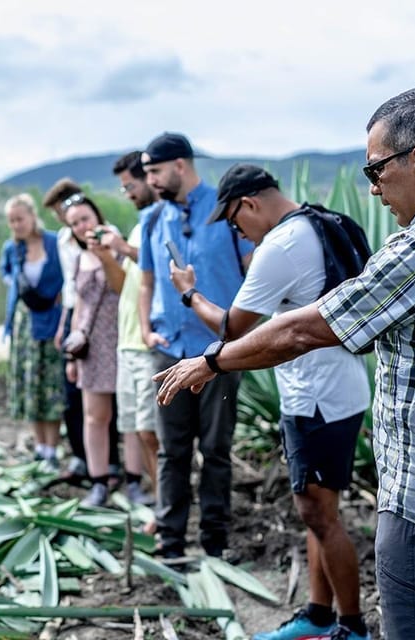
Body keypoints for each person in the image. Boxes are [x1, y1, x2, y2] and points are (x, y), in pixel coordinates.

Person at [154, 87, 415, 640]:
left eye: (376, 169)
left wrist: (211, 362)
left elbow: (299, 329)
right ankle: (324, 617)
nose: (372, 187)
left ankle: (340, 622)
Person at [169, 163, 371, 639]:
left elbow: (231, 330)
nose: (239, 234)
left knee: (319, 515)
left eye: (236, 223)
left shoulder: (280, 245)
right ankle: (319, 617)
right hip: (339, 390)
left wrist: (189, 294)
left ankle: (352, 628)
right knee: (318, 512)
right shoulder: (322, 222)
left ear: (250, 204)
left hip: (317, 400)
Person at [139, 132, 252, 559]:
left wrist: (238, 334)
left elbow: (250, 272)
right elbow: (146, 282)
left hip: (219, 354)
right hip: (169, 351)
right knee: (172, 452)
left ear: (180, 166)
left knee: (216, 450)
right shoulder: (152, 219)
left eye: (154, 171)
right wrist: (146, 331)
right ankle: (170, 541)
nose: (149, 180)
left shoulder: (225, 212)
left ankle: (215, 542)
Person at [42, 179, 121, 485]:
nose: (66, 221)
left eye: (62, 212)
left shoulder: (109, 237)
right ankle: (86, 460)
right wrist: (66, 325)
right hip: (78, 315)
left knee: (110, 400)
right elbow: (71, 287)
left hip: (106, 319)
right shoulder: (66, 242)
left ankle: (113, 464)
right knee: (75, 395)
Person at [95, 150, 161, 509]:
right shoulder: (139, 224)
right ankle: (157, 497)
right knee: (138, 430)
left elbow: (161, 268)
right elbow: (125, 286)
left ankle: (165, 503)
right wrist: (109, 255)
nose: (129, 193)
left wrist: (123, 247)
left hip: (147, 346)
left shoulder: (159, 220)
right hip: (128, 342)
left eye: (130, 185)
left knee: (153, 433)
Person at [62, 194, 124, 507]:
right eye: (74, 223)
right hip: (91, 345)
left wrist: (106, 256)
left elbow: (123, 287)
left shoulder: (119, 246)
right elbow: (79, 306)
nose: (81, 226)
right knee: (94, 417)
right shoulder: (77, 258)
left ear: (96, 216)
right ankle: (98, 482)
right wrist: (72, 353)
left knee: (128, 417)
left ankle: (135, 480)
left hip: (121, 338)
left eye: (84, 219)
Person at [0, 194, 65, 471]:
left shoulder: (54, 242)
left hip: (51, 318)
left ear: (32, 216)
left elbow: (67, 273)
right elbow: (6, 274)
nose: (16, 225)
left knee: (51, 387)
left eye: (20, 219)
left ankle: (52, 449)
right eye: (11, 221)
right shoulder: (11, 249)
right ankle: (39, 447)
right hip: (24, 323)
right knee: (30, 387)